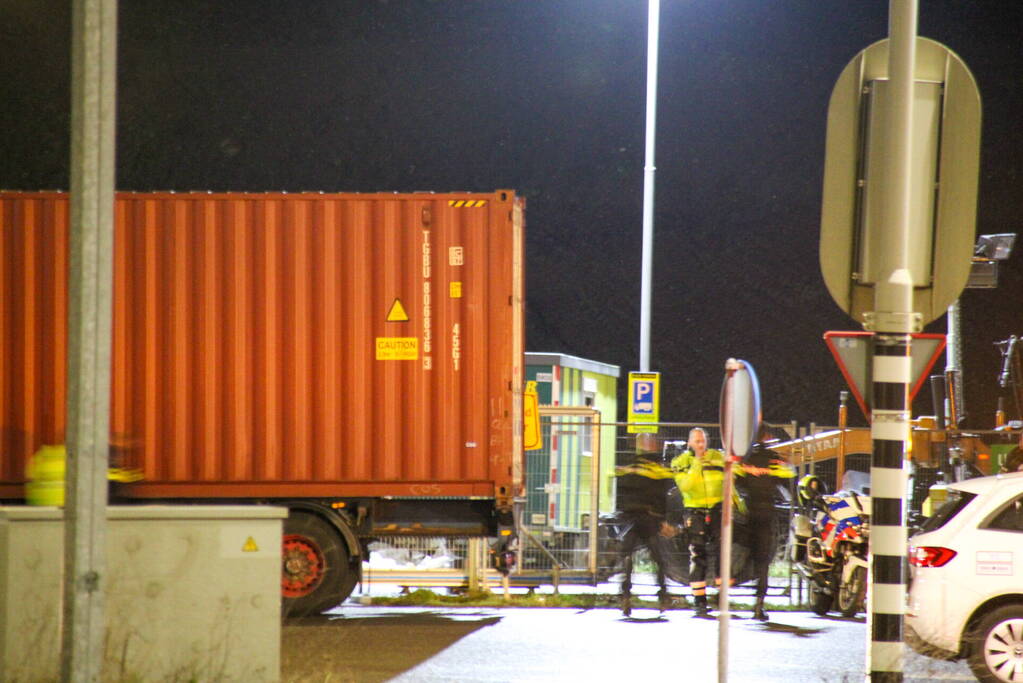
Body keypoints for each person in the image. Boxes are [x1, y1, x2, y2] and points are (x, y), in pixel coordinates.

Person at [735, 424, 796, 621]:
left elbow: (735, 481)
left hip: (746, 515)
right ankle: (759, 605)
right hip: (766, 514)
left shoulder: (745, 459)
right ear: (768, 437)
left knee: (741, 554)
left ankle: (724, 589)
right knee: (762, 561)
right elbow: (788, 481)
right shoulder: (774, 460)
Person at [614, 433, 677, 616]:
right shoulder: (659, 468)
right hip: (649, 519)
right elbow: (663, 496)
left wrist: (623, 515)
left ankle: (625, 595)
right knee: (658, 559)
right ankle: (663, 596)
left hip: (632, 519)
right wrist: (664, 520)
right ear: (655, 445)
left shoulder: (630, 465)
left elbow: (623, 492)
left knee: (628, 557)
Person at [670, 427, 726, 617]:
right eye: (697, 441)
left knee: (722, 551)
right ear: (689, 443)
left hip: (717, 510)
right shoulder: (680, 462)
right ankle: (699, 601)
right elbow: (686, 485)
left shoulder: (717, 457)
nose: (701, 444)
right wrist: (697, 463)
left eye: (703, 441)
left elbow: (729, 479)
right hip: (695, 512)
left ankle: (721, 597)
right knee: (698, 555)